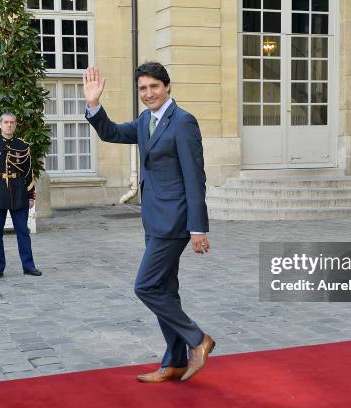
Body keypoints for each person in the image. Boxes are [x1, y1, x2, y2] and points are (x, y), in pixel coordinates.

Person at [83, 63, 215, 383]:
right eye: (142, 88)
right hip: (153, 219)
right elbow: (112, 132)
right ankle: (174, 362)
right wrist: (93, 104)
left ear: (167, 87)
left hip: (175, 222)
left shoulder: (183, 122)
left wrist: (198, 228)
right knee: (165, 290)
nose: (148, 94)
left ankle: (198, 340)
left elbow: (195, 178)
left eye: (154, 87)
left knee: (146, 286)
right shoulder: (146, 121)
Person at [0, 112, 42, 279]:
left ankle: (28, 266)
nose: (9, 125)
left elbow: (28, 173)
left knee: (23, 232)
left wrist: (31, 195)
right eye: (6, 122)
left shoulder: (23, 146)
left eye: (12, 122)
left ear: (16, 124)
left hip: (19, 191)